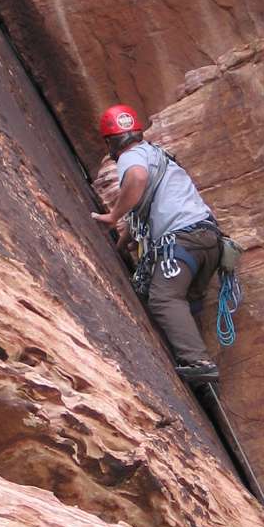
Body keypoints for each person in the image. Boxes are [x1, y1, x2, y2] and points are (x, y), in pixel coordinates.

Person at [91, 103, 222, 384]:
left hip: (183, 240)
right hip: (208, 240)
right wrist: (123, 242)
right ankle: (199, 369)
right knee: (186, 302)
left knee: (164, 298)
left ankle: (198, 362)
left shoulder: (130, 157)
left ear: (110, 141)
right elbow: (146, 207)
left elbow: (137, 178)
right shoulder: (157, 154)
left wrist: (113, 216)